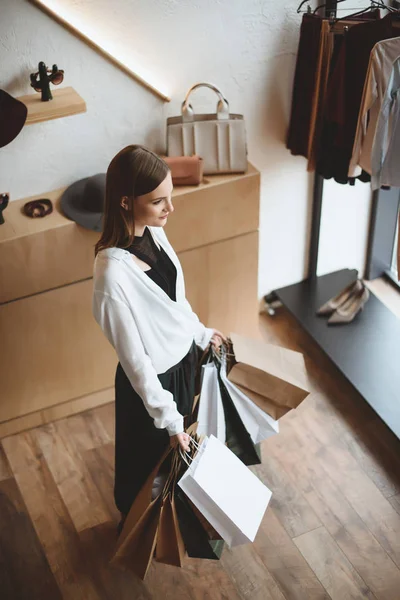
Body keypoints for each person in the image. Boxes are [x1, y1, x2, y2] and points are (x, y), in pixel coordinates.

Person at [92, 145, 226, 535]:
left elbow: (174, 303)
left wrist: (200, 333)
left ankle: (173, 513)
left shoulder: (155, 231)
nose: (170, 209)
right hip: (152, 385)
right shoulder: (111, 277)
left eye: (170, 196)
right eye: (158, 201)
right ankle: (133, 528)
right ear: (125, 202)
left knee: (181, 455)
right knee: (142, 464)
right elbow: (135, 362)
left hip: (183, 365)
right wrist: (169, 419)